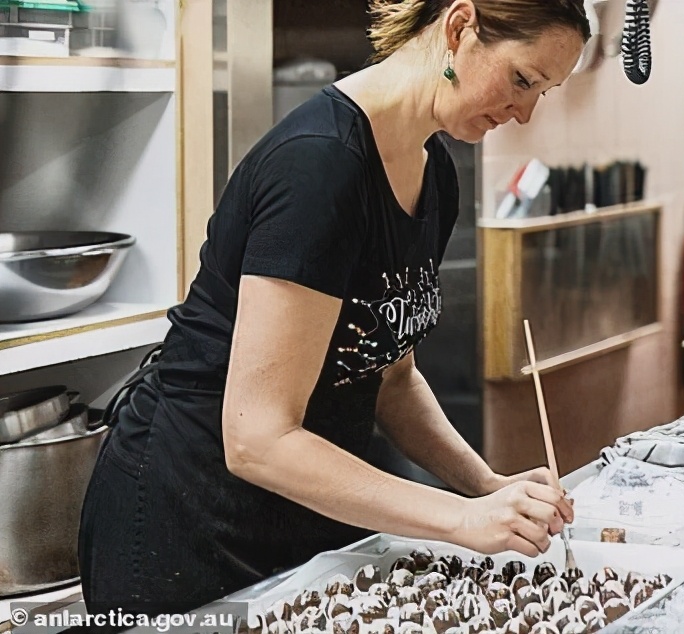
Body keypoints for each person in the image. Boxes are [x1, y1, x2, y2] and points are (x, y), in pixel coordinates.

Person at [78, 0, 590, 621]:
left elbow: (392, 379)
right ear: (460, 28)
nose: (525, 112)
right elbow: (257, 438)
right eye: (523, 80)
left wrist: (484, 484)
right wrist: (460, 517)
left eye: (544, 92)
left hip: (304, 519)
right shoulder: (321, 165)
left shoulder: (434, 171)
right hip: (188, 522)